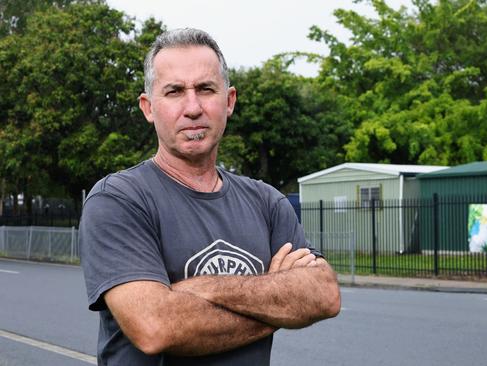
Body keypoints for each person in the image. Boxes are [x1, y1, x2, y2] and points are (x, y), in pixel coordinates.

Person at [79, 28, 341, 366]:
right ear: (148, 107)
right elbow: (156, 327)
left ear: (228, 101)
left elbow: (323, 295)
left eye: (206, 89)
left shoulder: (267, 203)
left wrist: (199, 290)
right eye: (174, 91)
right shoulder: (118, 200)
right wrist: (278, 299)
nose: (192, 107)